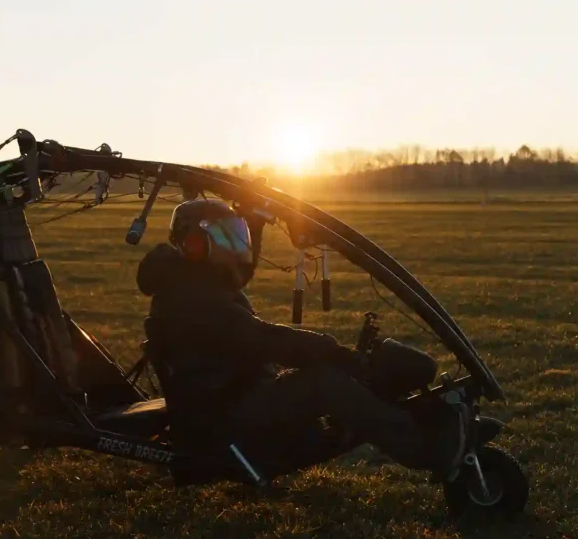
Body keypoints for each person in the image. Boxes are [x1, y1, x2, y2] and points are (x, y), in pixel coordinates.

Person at [136, 198, 471, 484]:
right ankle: (424, 450)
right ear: (196, 245)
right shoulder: (191, 299)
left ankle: (410, 420)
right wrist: (333, 352)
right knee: (323, 383)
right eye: (227, 237)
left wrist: (253, 219)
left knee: (328, 373)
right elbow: (264, 340)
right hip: (224, 425)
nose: (237, 247)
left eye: (237, 236)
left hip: (230, 406)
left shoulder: (191, 281)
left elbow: (237, 277)